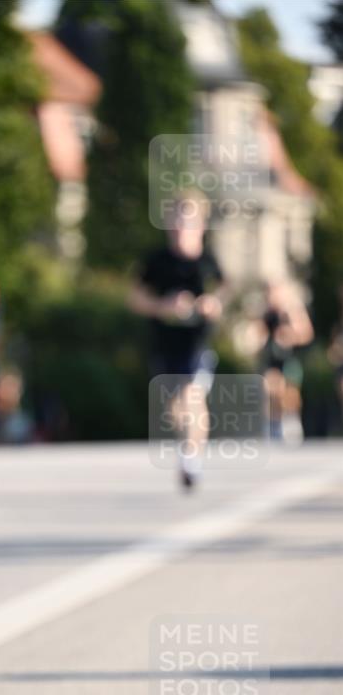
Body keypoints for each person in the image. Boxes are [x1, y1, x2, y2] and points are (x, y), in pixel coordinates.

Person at [129, 192, 225, 490]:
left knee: (193, 397)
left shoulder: (209, 263)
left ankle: (191, 459)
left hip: (197, 344)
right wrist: (163, 307)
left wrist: (212, 304)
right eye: (177, 221)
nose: (182, 227)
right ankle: (187, 448)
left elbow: (225, 292)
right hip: (164, 342)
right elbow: (134, 298)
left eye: (189, 221)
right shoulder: (156, 261)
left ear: (201, 225)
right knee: (173, 407)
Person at [257, 280, 314, 442]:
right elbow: (260, 333)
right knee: (271, 388)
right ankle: (273, 423)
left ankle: (291, 419)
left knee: (290, 391)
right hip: (273, 357)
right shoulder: (268, 314)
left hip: (291, 357)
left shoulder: (293, 311)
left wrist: (290, 335)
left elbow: (306, 334)